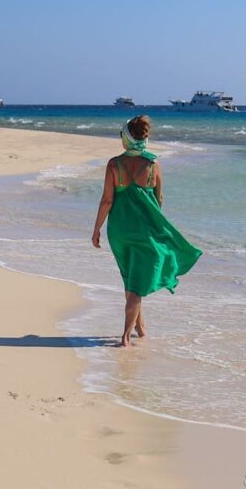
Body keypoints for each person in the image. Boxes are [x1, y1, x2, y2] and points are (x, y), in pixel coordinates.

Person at [91, 115, 203, 346]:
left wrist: (97, 228)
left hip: (119, 231)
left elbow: (106, 201)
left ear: (127, 138)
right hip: (144, 231)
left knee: (130, 278)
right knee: (136, 284)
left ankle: (140, 328)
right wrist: (152, 221)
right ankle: (125, 336)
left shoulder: (114, 164)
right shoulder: (153, 165)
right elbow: (159, 198)